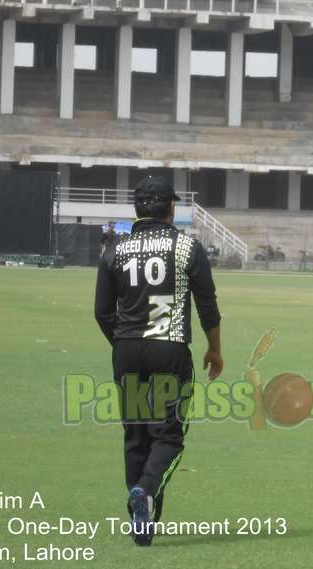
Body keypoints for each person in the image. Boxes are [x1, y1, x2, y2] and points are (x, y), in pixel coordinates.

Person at [94, 176, 223, 547]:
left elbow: (103, 312)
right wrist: (214, 349)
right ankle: (146, 491)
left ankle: (143, 524)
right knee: (168, 435)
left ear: (137, 209)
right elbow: (207, 305)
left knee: (136, 436)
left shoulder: (114, 250)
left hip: (128, 351)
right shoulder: (186, 247)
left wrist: (123, 344)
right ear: (171, 209)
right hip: (169, 350)